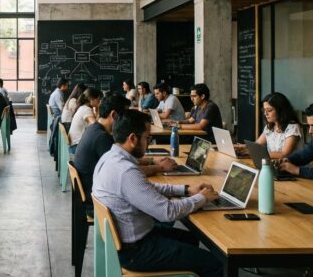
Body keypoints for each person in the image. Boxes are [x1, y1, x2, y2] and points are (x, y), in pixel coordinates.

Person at [91, 109, 222, 277]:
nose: (148, 143)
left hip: (129, 241)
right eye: (147, 138)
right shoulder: (126, 172)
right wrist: (202, 198)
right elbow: (168, 212)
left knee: (190, 240)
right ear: (132, 138)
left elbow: (146, 188)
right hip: (136, 251)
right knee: (214, 264)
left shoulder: (109, 158)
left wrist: (186, 190)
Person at [74, 97, 176, 203]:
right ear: (114, 115)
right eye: (124, 115)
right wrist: (160, 167)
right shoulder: (102, 138)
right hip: (97, 198)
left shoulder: (94, 129)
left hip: (93, 192)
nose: (127, 118)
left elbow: (125, 159)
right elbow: (129, 170)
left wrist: (152, 160)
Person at [255, 92, 302, 159]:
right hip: (272, 164)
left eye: (269, 110)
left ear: (280, 110)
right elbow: (256, 145)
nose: (265, 114)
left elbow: (284, 154)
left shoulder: (293, 127)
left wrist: (259, 153)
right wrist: (243, 148)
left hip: (288, 166)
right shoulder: (269, 127)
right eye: (264, 110)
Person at [67, 87, 101, 153]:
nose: (99, 102)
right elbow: (96, 127)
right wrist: (98, 110)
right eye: (98, 99)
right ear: (92, 99)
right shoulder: (86, 110)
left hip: (74, 145)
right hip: (77, 147)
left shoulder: (83, 107)